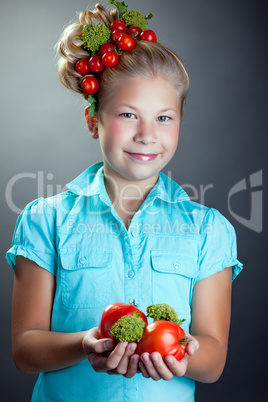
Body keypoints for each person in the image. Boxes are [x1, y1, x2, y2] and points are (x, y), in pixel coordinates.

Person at [6, 2, 243, 401]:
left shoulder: (208, 229)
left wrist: (182, 356)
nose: (147, 134)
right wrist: (83, 342)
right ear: (93, 119)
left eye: (164, 118)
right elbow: (25, 350)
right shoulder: (45, 220)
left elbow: (214, 359)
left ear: (181, 121)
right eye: (129, 115)